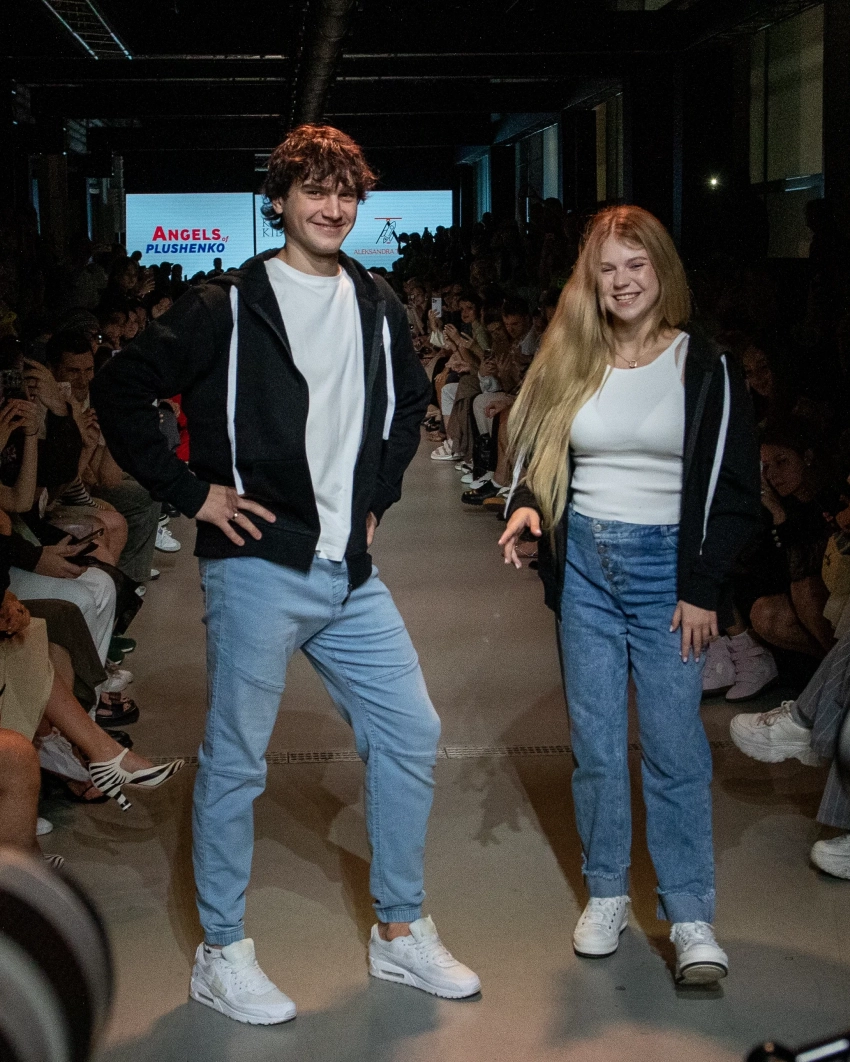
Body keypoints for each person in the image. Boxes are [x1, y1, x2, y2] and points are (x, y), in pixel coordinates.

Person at [92, 123, 480, 1025]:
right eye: (314, 191)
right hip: (259, 567)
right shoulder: (225, 304)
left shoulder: (376, 300)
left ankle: (398, 932)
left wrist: (379, 495)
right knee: (236, 762)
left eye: (346, 193)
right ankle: (222, 954)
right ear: (279, 201)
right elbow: (120, 389)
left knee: (410, 729)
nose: (332, 207)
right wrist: (193, 493)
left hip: (350, 571)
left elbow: (408, 403)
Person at [499, 205, 761, 984]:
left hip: (669, 578)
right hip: (585, 567)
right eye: (607, 268)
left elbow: (736, 491)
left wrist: (703, 587)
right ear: (591, 278)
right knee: (596, 745)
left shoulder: (704, 367)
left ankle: (689, 916)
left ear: (661, 271)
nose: (622, 281)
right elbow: (539, 458)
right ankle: (608, 891)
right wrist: (527, 508)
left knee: (675, 749)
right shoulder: (572, 357)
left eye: (636, 265)